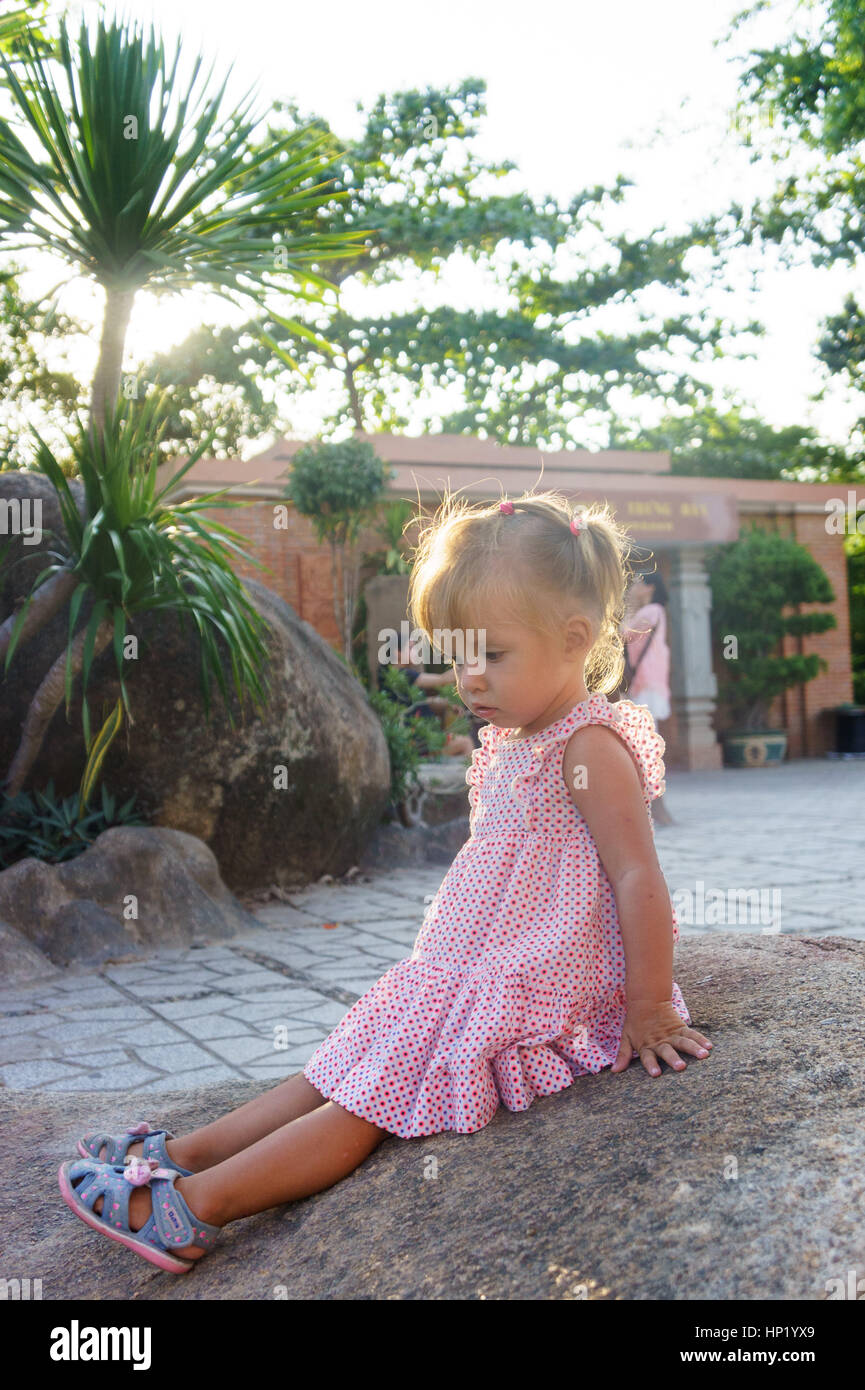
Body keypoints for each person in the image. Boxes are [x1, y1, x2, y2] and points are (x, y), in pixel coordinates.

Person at [58, 490, 713, 1275]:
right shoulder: (517, 738)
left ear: (574, 640)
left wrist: (647, 1007)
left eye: (491, 656)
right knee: (340, 1062)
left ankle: (193, 1210)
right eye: (458, 655)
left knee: (370, 1102)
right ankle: (180, 1153)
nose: (469, 678)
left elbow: (637, 872)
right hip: (464, 967)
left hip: (535, 983)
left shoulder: (588, 745)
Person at [621, 568, 673, 824]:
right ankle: (652, 798)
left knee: (646, 740)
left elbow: (622, 633)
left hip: (648, 684)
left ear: (650, 588)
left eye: (638, 583)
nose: (633, 587)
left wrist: (628, 604)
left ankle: (654, 798)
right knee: (644, 738)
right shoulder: (652, 612)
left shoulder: (651, 612)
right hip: (647, 682)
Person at [377, 641, 479, 756]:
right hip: (421, 742)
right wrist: (467, 667)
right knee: (465, 743)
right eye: (411, 648)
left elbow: (416, 703)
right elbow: (442, 679)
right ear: (398, 653)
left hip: (421, 739)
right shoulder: (404, 675)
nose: (416, 652)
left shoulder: (390, 676)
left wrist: (446, 704)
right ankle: (476, 774)